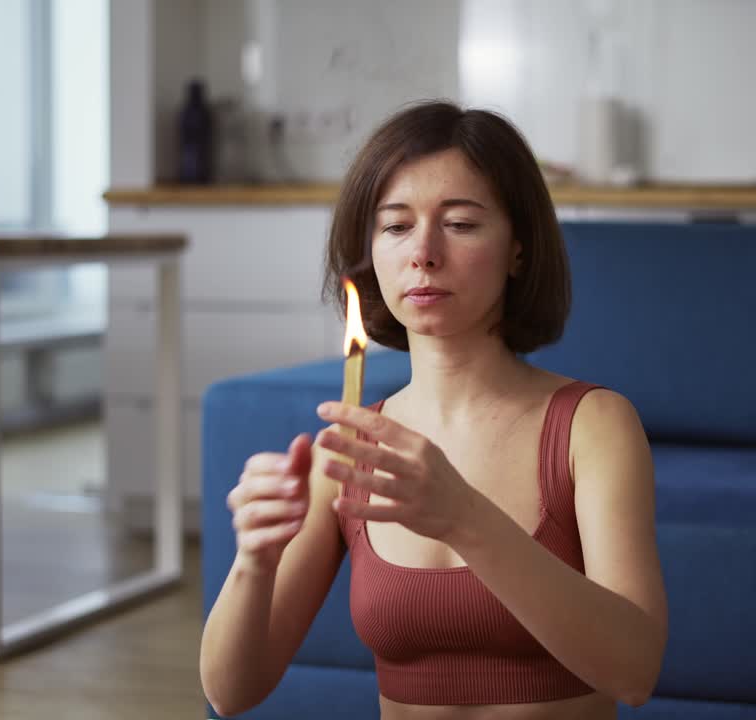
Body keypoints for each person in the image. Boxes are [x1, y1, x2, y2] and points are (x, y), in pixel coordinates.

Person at [200, 100, 667, 720]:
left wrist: (463, 516)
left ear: (519, 250)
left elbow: (634, 672)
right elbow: (232, 693)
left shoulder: (594, 425)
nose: (422, 252)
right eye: (395, 226)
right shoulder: (347, 453)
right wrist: (254, 562)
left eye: (462, 223)